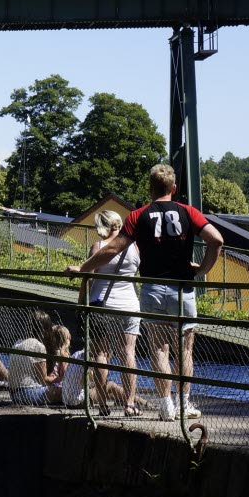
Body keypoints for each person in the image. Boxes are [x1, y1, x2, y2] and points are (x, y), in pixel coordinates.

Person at [69, 164, 224, 421]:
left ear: (150, 188)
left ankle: (165, 407)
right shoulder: (188, 212)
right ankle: (184, 405)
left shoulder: (138, 216)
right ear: (174, 189)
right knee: (184, 349)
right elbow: (216, 240)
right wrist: (201, 271)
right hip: (182, 289)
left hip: (152, 289)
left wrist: (83, 268)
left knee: (159, 349)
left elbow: (111, 249)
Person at [78, 210, 143, 416]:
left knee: (101, 354)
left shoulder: (98, 247)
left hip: (101, 305)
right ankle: (130, 403)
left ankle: (103, 404)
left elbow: (87, 277)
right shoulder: (135, 247)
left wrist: (81, 302)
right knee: (128, 353)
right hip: (130, 306)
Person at [8, 310, 57, 406]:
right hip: (27, 392)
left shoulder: (18, 342)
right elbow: (43, 379)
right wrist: (58, 378)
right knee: (60, 391)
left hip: (13, 394)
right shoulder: (38, 346)